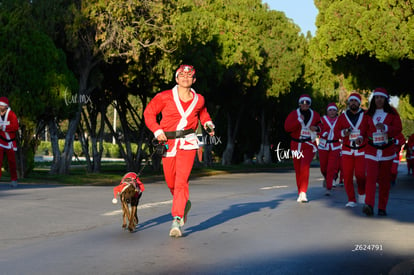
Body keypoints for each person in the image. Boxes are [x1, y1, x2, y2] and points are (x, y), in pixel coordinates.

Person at [144, 65, 215, 237]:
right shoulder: (164, 96)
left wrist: (208, 124)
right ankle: (184, 204)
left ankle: (176, 219)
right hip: (168, 142)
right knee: (171, 182)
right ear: (176, 79)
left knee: (181, 181)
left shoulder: (199, 99)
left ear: (194, 79)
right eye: (181, 75)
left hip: (188, 142)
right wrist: (157, 130)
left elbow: (203, 114)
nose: (185, 78)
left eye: (189, 75)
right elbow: (149, 113)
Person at [360, 88, 402, 216]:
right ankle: (369, 205)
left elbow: (398, 129)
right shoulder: (367, 114)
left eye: (381, 98)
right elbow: (363, 130)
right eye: (377, 97)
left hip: (387, 151)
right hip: (371, 150)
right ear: (374, 99)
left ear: (386, 99)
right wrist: (360, 138)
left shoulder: (392, 113)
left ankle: (382, 207)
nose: (379, 100)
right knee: (371, 179)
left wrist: (386, 128)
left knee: (384, 181)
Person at [284, 94, 321, 203]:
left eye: (307, 103)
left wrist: (317, 128)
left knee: (305, 166)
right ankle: (300, 191)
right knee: (298, 169)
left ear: (310, 104)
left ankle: (303, 192)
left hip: (309, 144)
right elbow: (287, 128)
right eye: (302, 103)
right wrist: (298, 121)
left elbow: (321, 126)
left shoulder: (315, 115)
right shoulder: (294, 114)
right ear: (299, 104)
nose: (305, 105)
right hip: (296, 144)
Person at [333, 92, 366, 207]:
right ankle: (351, 199)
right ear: (348, 102)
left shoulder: (366, 115)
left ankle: (362, 193)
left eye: (355, 101)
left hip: (361, 150)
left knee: (361, 175)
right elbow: (336, 132)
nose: (353, 103)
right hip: (347, 149)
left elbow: (370, 130)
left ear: (359, 103)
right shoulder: (343, 116)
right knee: (347, 175)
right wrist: (344, 132)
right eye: (351, 101)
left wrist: (362, 137)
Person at [318, 103, 341, 195]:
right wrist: (322, 133)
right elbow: (318, 128)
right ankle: (326, 177)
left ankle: (328, 187)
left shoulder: (340, 120)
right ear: (327, 111)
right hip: (323, 145)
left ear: (336, 111)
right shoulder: (322, 119)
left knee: (331, 167)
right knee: (323, 167)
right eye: (330, 110)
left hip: (335, 146)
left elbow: (342, 129)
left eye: (334, 110)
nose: (332, 112)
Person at [0, 97, 19, 187]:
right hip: (0, 141)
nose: (0, 106)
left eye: (2, 105)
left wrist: (3, 128)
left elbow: (15, 127)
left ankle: (14, 179)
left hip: (10, 142)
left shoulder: (12, 114)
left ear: (6, 106)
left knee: (12, 161)